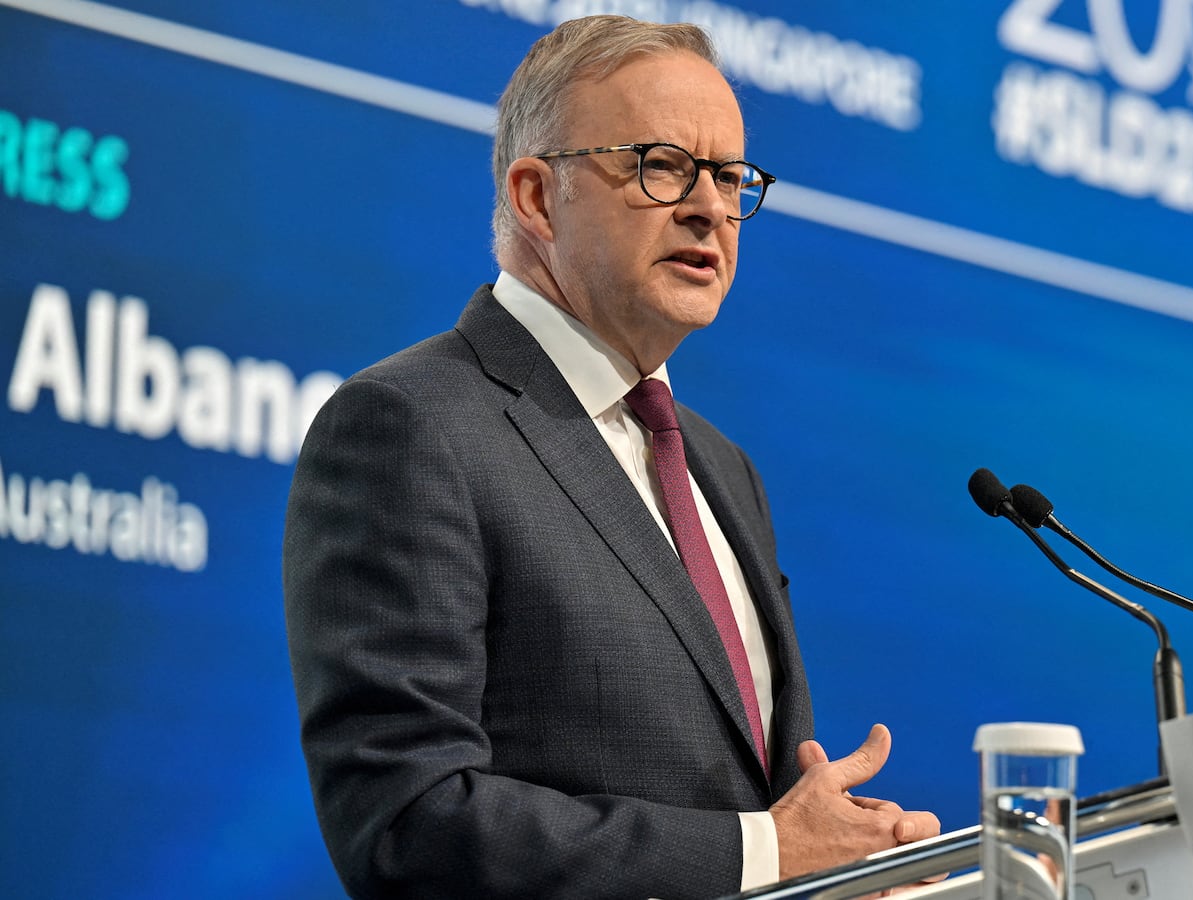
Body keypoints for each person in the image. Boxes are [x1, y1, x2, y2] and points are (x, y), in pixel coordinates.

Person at [283, 15, 938, 899]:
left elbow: (763, 818)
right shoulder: (412, 425)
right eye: (661, 165)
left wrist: (846, 865)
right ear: (535, 197)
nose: (709, 205)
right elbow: (408, 823)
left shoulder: (722, 466)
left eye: (731, 176)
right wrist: (763, 853)